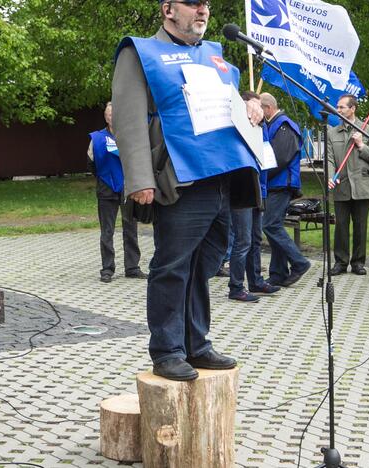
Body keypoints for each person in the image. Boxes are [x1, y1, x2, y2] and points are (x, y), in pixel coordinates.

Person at [112, 0, 261, 381]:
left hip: (225, 176)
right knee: (173, 265)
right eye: (193, 3)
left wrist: (252, 106)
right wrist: (139, 179)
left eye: (206, 4)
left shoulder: (215, 53)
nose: (203, 10)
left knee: (205, 265)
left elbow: (227, 107)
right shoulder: (140, 51)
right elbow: (128, 119)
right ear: (168, 9)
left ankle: (197, 343)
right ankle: (167, 350)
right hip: (181, 178)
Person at [227, 91, 281, 302]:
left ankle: (256, 280)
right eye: (255, 106)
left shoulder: (262, 126)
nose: (259, 111)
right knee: (243, 240)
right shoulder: (238, 126)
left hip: (260, 186)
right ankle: (236, 286)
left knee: (255, 239)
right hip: (243, 187)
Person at [87, 102, 146, 283]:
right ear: (105, 117)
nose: (111, 117)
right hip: (106, 189)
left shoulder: (130, 137)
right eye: (108, 114)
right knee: (107, 231)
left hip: (128, 189)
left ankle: (132, 267)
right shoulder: (97, 139)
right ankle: (107, 269)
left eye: (114, 114)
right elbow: (92, 163)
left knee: (131, 228)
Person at [327, 94, 369, 276]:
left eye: (342, 107)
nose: (339, 110)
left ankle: (358, 262)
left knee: (361, 226)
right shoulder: (331, 132)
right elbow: (329, 158)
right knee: (341, 226)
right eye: (338, 107)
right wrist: (330, 176)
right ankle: (340, 262)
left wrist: (361, 145)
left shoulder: (367, 129)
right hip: (341, 184)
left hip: (362, 185)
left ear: (352, 109)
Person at [259, 92, 312, 287]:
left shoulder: (284, 126)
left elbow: (279, 159)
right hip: (277, 183)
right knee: (274, 226)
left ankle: (299, 262)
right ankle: (278, 273)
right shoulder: (276, 124)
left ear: (268, 108)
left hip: (281, 184)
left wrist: (261, 177)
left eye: (259, 109)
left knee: (270, 225)